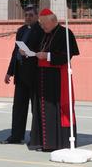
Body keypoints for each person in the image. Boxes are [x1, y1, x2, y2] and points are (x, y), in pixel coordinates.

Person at [29, 8, 80, 152]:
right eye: (41, 24)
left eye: (44, 24)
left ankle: (57, 143)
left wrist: (48, 56)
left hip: (57, 78)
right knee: (43, 109)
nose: (43, 27)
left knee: (56, 109)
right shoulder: (45, 35)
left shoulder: (65, 33)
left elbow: (66, 56)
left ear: (53, 21)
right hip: (43, 77)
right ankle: (45, 142)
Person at [1, 5, 44, 144]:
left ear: (37, 16)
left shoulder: (41, 30)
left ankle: (36, 136)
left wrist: (29, 52)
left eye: (31, 15)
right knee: (18, 106)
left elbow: (41, 50)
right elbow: (15, 52)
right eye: (26, 15)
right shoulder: (21, 30)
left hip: (34, 74)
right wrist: (9, 72)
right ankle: (16, 135)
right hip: (20, 74)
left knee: (35, 108)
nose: (28, 17)